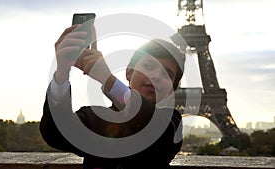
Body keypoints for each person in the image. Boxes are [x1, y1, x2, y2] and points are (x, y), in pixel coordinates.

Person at [40, 23, 185, 169]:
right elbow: (57, 134)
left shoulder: (171, 124)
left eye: (167, 73)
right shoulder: (96, 117)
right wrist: (62, 73)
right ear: (129, 73)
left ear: (172, 90)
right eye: (148, 66)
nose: (156, 76)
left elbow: (157, 132)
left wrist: (108, 79)